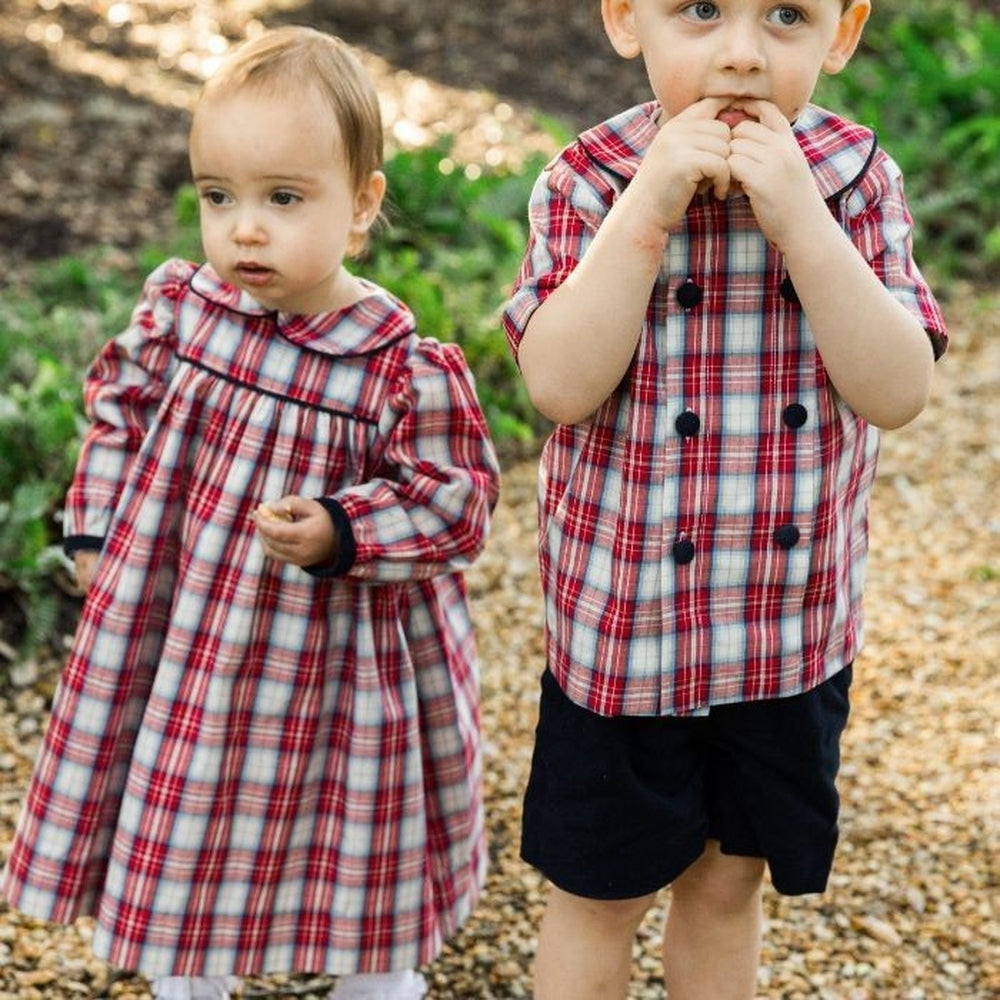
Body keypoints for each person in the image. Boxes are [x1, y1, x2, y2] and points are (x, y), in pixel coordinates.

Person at [1, 26, 500, 1000]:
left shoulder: (394, 362)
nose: (244, 230)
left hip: (339, 667)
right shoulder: (182, 314)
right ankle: (191, 969)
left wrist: (344, 527)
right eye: (217, 197)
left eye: (283, 198)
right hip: (189, 637)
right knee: (190, 793)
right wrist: (97, 525)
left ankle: (375, 974)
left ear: (362, 206)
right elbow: (119, 407)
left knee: (356, 816)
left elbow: (456, 502)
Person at [502, 1, 947, 997]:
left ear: (841, 33)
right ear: (627, 19)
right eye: (700, 10)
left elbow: (898, 389)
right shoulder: (588, 181)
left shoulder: (856, 181)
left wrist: (803, 225)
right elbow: (558, 387)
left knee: (726, 878)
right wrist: (643, 218)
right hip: (624, 639)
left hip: (782, 635)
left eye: (786, 15)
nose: (741, 54)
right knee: (596, 891)